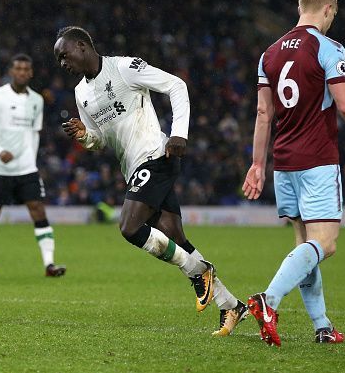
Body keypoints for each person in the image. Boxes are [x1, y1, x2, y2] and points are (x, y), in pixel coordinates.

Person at [56, 26, 246, 336]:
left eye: (63, 55)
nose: (62, 64)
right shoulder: (81, 94)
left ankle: (198, 272)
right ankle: (230, 305)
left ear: (81, 46)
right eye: (58, 60)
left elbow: (176, 85)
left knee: (129, 228)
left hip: (156, 156)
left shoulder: (124, 67)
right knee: (174, 236)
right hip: (132, 168)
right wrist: (84, 137)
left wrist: (179, 133)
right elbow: (101, 140)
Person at [242, 0, 345, 346]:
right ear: (326, 9)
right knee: (325, 243)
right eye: (333, 15)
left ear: (299, 7)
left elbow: (264, 113)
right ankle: (268, 300)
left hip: (285, 163)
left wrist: (257, 165)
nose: (332, 21)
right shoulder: (329, 48)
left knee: (304, 246)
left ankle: (322, 326)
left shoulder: (269, 54)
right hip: (318, 160)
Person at [0, 54, 66, 277]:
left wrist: (30, 162)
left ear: (31, 73)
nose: (22, 72)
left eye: (26, 69)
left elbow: (34, 135)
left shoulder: (37, 100)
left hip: (26, 169)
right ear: (11, 72)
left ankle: (49, 265)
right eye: (18, 69)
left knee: (38, 209)